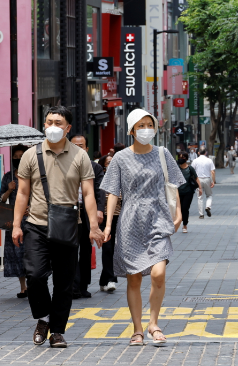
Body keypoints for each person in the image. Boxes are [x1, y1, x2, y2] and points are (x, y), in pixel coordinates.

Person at [13, 106, 104, 348]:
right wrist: (16, 225)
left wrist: (93, 226)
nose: (53, 126)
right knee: (34, 276)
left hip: (67, 226)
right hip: (36, 225)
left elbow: (88, 193)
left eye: (58, 122)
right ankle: (43, 318)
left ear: (68, 128)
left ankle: (57, 332)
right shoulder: (31, 155)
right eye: (49, 122)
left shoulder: (80, 156)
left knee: (64, 282)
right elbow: (22, 193)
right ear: (44, 125)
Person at [101, 109, 184, 346]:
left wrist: (178, 214)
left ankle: (154, 323)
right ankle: (138, 329)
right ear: (131, 130)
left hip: (158, 217)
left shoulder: (162, 153)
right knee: (134, 279)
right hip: (130, 220)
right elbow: (113, 193)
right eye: (140, 125)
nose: (146, 129)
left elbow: (173, 184)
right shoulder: (120, 158)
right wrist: (108, 225)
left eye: (149, 124)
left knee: (158, 273)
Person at [70, 134, 106, 299]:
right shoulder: (63, 165)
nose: (78, 148)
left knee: (85, 249)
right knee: (70, 249)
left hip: (86, 211)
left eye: (81, 145)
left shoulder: (95, 167)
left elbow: (99, 190)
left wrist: (99, 210)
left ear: (87, 148)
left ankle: (83, 285)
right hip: (69, 211)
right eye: (74, 145)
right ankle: (74, 287)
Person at [0, 145, 30, 298]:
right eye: (15, 157)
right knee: (17, 254)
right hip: (14, 221)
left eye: (21, 156)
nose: (18, 159)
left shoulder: (32, 175)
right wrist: (9, 190)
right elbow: (0, 200)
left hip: (31, 220)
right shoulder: (8, 177)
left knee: (30, 253)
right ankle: (23, 287)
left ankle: (33, 284)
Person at [96, 154, 118, 293]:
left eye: (112, 162)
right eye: (108, 162)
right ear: (103, 165)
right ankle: (111, 279)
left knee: (115, 250)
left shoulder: (120, 178)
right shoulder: (100, 179)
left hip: (120, 217)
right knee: (108, 248)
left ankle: (104, 279)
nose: (110, 165)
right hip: (104, 218)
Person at [177, 154, 200, 234]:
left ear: (186, 159)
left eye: (182, 157)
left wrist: (200, 188)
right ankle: (180, 221)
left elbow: (196, 178)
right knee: (178, 209)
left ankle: (184, 225)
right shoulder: (176, 168)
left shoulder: (190, 168)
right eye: (179, 157)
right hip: (177, 192)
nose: (180, 158)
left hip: (188, 192)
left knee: (185, 208)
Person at [190, 149, 216, 219]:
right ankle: (208, 207)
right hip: (207, 179)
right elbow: (213, 172)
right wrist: (213, 181)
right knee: (209, 195)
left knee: (200, 197)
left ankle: (201, 214)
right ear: (205, 152)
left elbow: (191, 171)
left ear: (198, 153)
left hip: (198, 179)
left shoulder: (195, 161)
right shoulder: (209, 160)